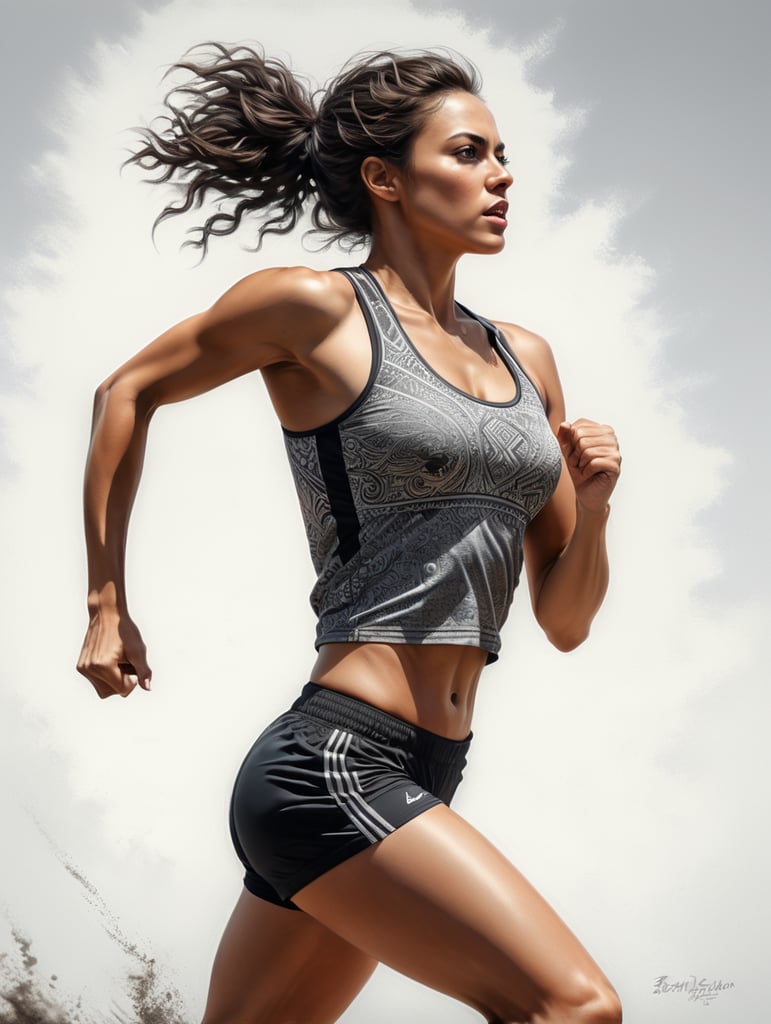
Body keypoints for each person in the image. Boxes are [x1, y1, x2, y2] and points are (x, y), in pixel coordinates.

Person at [76, 44, 623, 1024]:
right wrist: (106, 603)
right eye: (468, 153)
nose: (500, 176)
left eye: (502, 155)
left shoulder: (527, 361)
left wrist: (597, 500)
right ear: (384, 177)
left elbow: (566, 618)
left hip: (429, 767)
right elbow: (127, 390)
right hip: (334, 761)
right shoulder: (318, 309)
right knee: (575, 1007)